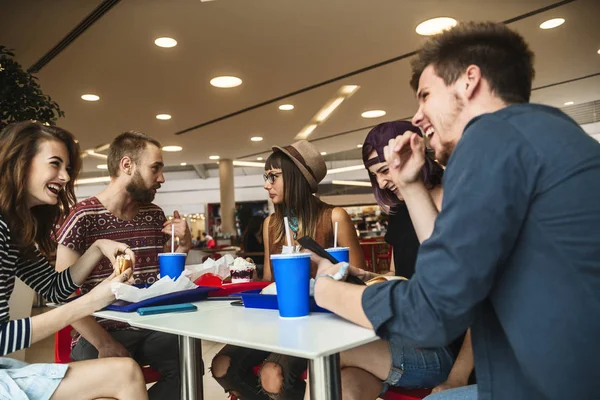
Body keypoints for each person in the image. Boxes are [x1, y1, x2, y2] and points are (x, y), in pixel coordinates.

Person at [309, 21, 600, 400]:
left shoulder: (488, 139)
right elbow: (446, 263)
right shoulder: (544, 134)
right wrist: (411, 185)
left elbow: (429, 314)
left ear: (469, 81)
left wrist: (327, 291)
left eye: (425, 94)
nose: (417, 115)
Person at [0, 121, 148, 399]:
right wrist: (92, 301)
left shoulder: (13, 230)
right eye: (55, 164)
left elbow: (55, 288)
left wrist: (96, 248)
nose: (65, 177)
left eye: (67, 168)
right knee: (124, 374)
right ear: (19, 163)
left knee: (125, 373)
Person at [211, 140, 366, 399]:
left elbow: (360, 280)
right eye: (266, 176)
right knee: (222, 365)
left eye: (273, 176)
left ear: (297, 178)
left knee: (273, 375)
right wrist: (243, 278)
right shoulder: (271, 224)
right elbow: (269, 282)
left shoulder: (334, 217)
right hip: (279, 322)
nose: (266, 184)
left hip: (324, 322)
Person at [55, 131, 192, 400]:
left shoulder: (154, 215)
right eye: (156, 168)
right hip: (97, 331)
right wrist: (104, 342)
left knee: (189, 364)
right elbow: (63, 295)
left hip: (151, 327)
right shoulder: (82, 217)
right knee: (104, 378)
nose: (162, 178)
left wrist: (183, 247)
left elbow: (164, 282)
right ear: (127, 165)